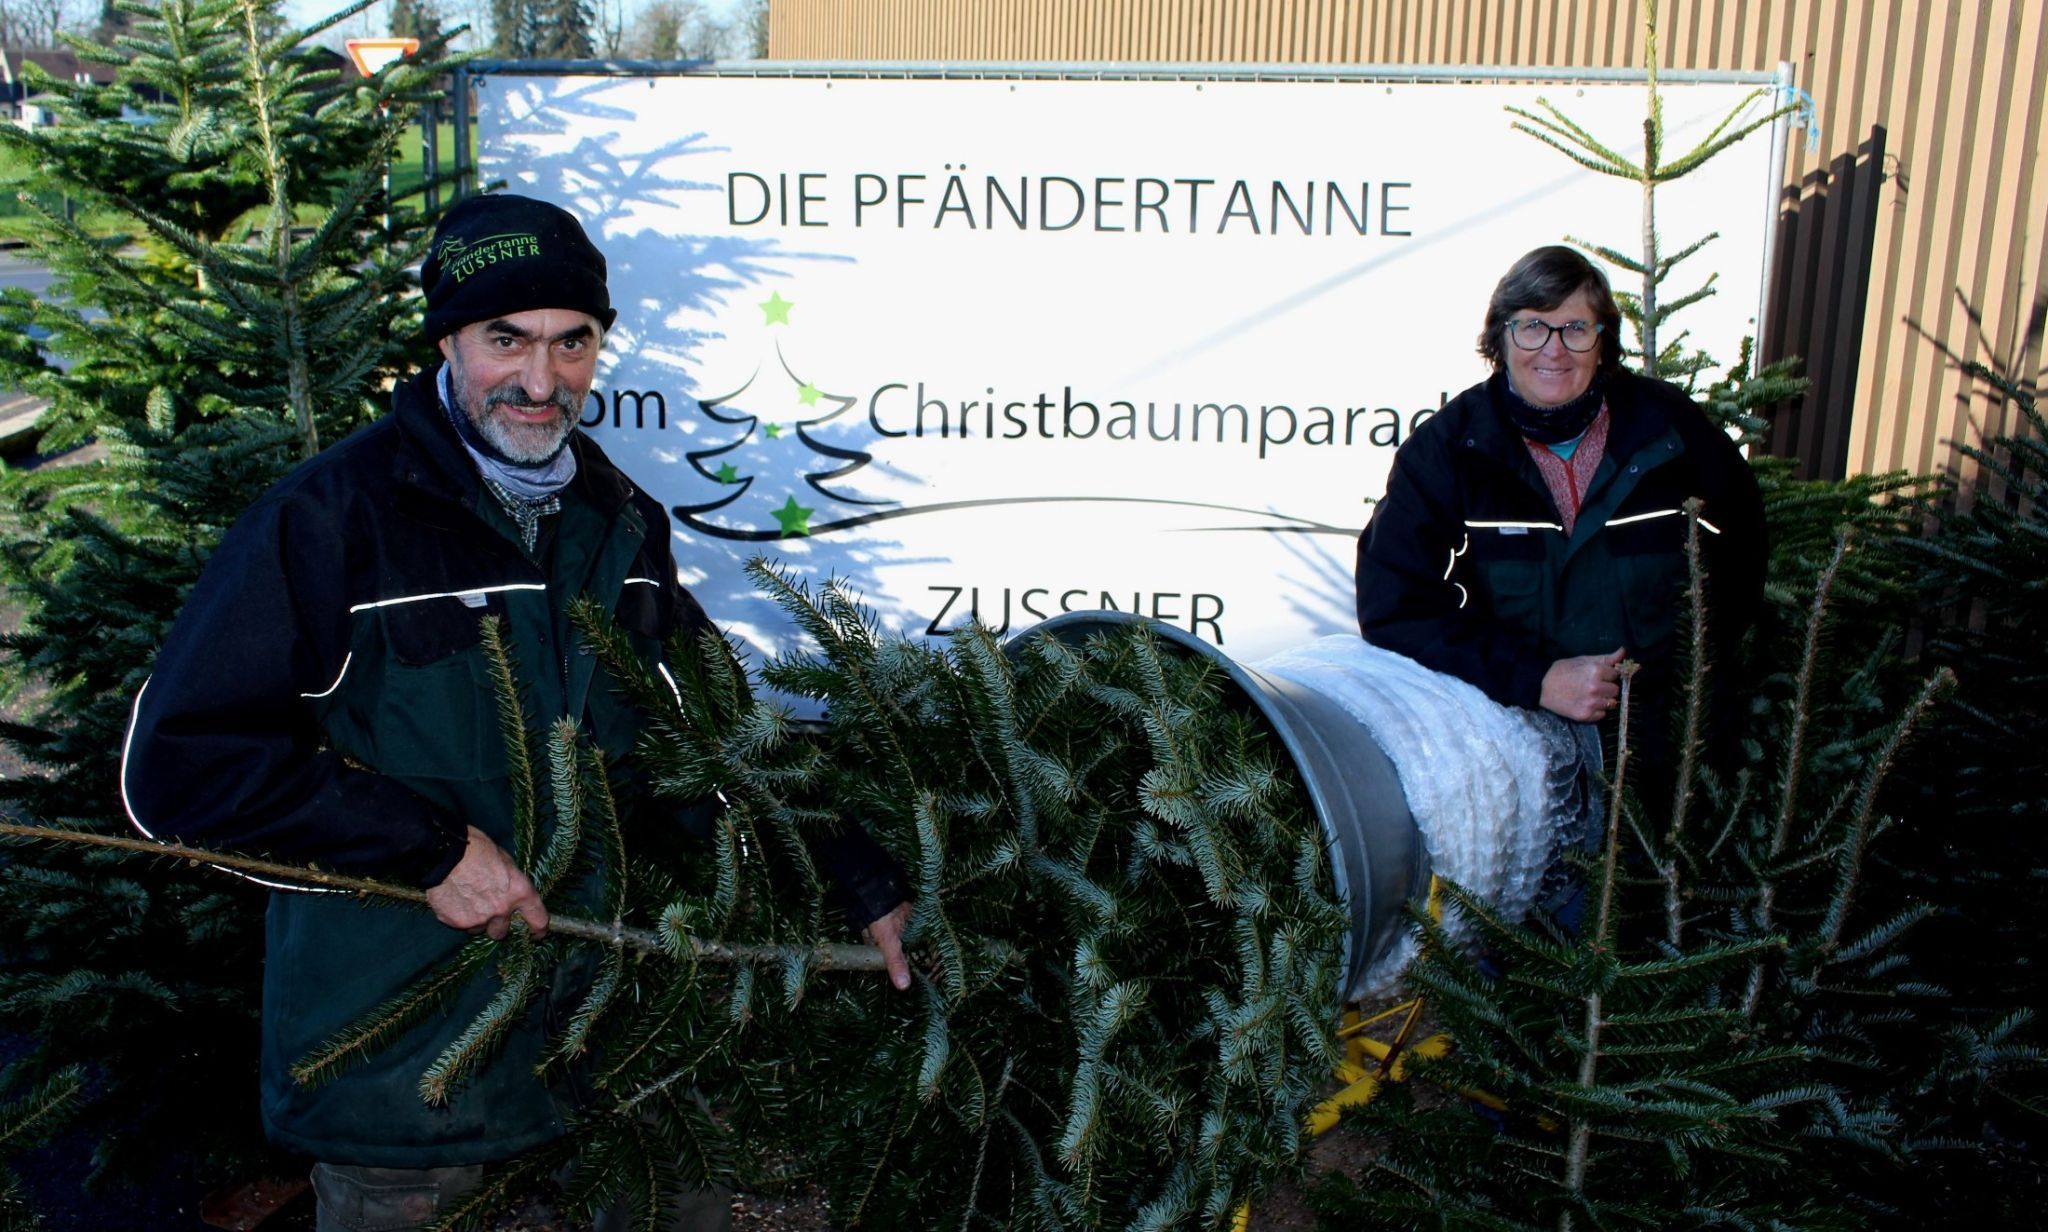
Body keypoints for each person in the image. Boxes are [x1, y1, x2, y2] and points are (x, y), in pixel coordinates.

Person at [119, 193, 912, 1231]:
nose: (542, 382)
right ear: (447, 336)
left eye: (571, 342)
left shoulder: (614, 520)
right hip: (402, 1066)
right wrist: (428, 849)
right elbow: (178, 767)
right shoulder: (332, 518)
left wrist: (851, 872)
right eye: (507, 340)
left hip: (605, 1033)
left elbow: (705, 739)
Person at [1355, 244, 1766, 789]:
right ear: (1501, 337)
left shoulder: (1671, 432)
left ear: (1603, 342)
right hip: (1508, 759)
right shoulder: (1448, 452)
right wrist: (1534, 678)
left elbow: (1744, 554)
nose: (1554, 349)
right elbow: (1394, 607)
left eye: (1576, 328)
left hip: (1668, 761)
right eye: (1533, 327)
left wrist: (1689, 682)